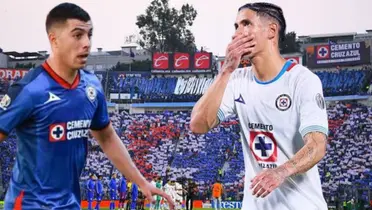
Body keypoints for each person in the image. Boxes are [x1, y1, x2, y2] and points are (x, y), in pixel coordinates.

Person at [0, 2, 174, 210]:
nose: (86, 43)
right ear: (54, 40)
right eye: (77, 35)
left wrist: (140, 181)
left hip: (70, 204)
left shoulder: (91, 87)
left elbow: (107, 137)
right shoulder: (30, 90)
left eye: (89, 35)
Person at [190, 2, 328, 210]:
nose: (237, 33)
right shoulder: (236, 81)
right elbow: (198, 125)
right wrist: (226, 70)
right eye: (236, 26)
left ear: (271, 31)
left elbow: (317, 145)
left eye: (246, 24)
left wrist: (281, 171)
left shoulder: (302, 80)